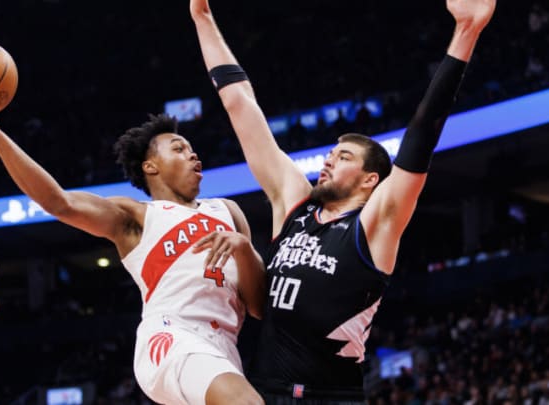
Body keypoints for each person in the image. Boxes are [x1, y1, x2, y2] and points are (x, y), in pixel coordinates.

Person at [190, 0, 496, 402]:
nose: (331, 157)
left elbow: (422, 134)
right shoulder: (294, 204)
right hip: (263, 392)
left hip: (330, 396)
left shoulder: (375, 226)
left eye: (345, 156)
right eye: (333, 152)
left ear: (372, 180)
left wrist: (467, 32)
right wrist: (202, 17)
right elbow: (240, 104)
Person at [0, 81, 265, 405]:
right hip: (172, 337)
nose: (192, 153)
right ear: (150, 166)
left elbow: (258, 306)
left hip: (223, 348)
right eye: (178, 148)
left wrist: (244, 249)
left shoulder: (227, 211)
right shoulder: (135, 216)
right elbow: (58, 203)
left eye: (191, 148)